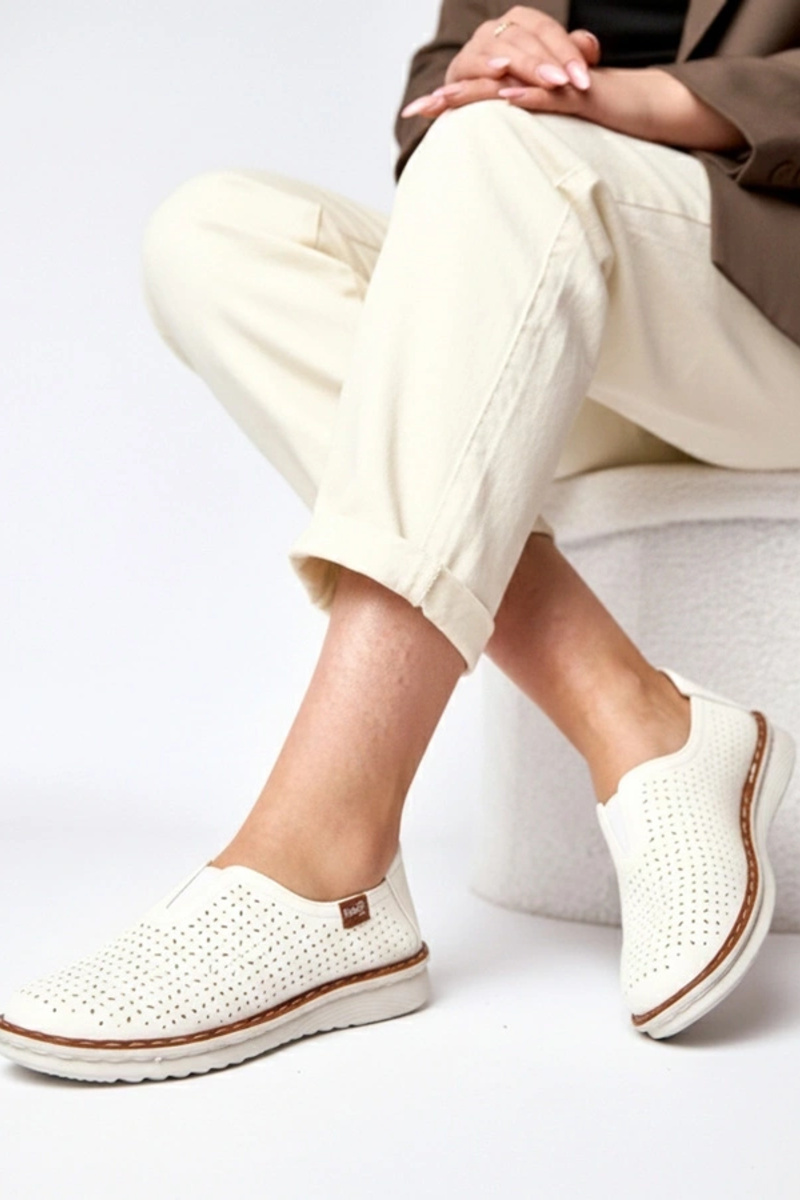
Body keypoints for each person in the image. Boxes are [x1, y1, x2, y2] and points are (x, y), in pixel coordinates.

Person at [1, 1, 799, 1083]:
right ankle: (639, 718)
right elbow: (446, 92)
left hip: (769, 314)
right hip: (601, 288)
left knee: (503, 155)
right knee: (212, 233)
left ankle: (326, 853)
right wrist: (489, 65)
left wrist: (651, 101)